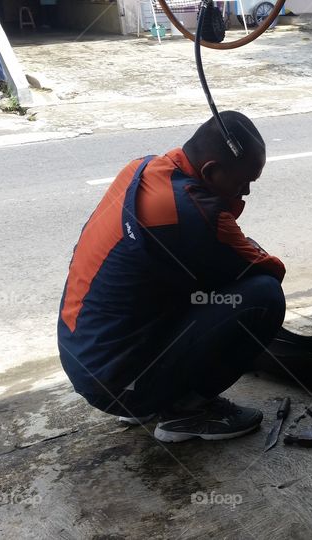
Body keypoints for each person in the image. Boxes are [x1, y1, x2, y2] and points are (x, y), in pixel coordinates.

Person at [58, 111, 286, 443]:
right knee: (263, 297)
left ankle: (147, 393)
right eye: (242, 181)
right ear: (210, 170)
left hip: (85, 358)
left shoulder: (143, 167)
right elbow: (269, 270)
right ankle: (186, 412)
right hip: (116, 381)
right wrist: (243, 246)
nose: (247, 191)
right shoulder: (192, 213)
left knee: (208, 284)